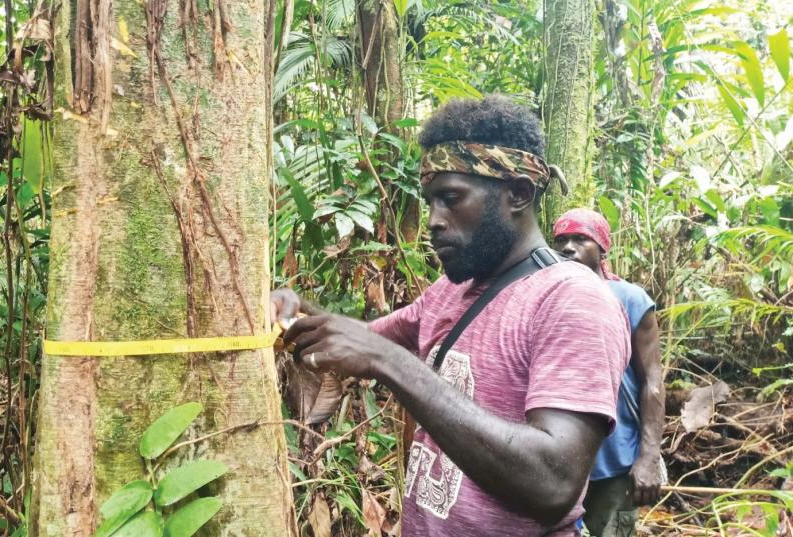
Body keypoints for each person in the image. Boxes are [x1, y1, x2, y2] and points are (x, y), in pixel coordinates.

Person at [272, 95, 630, 536]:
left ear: (517, 193)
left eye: (451, 198)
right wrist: (297, 311)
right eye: (430, 203)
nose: (434, 221)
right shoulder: (453, 290)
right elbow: (364, 340)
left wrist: (390, 362)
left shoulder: (572, 300)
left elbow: (553, 483)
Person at [552, 209, 666, 537]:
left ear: (602, 248)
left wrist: (648, 456)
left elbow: (652, 382)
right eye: (561, 240)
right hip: (556, 460)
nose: (569, 247)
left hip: (615, 462)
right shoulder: (546, 296)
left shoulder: (630, 299)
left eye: (580, 239)